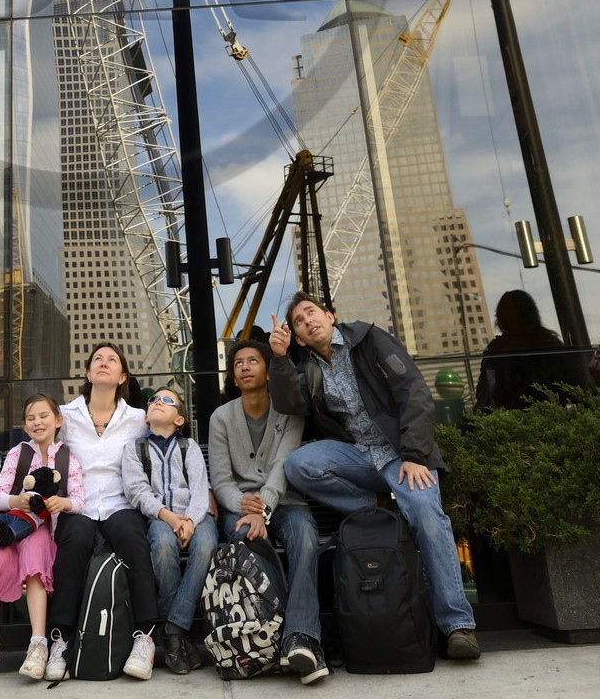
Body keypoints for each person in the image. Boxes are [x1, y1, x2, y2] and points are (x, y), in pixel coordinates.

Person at [271, 293, 480, 663]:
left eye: (311, 313)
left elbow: (413, 392)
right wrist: (279, 358)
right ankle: (376, 509)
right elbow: (290, 403)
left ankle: (457, 626)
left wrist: (415, 455)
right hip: (360, 456)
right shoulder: (309, 368)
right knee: (299, 465)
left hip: (402, 454)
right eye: (299, 322)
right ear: (298, 338)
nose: (307, 321)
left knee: (429, 519)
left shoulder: (368, 340)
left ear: (329, 316)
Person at [208, 336, 328, 686]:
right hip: (240, 507)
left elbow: (283, 465)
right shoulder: (220, 418)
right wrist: (240, 504)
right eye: (238, 363)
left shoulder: (289, 411)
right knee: (247, 538)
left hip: (284, 501)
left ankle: (300, 637)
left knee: (305, 536)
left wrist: (263, 508)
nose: (244, 367)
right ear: (233, 377)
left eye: (253, 361)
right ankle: (289, 635)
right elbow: (221, 479)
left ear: (268, 372)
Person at [46, 341, 158, 682]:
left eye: (112, 360)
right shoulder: (66, 416)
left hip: (120, 503)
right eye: (98, 359)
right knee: (75, 540)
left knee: (133, 538)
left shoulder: (137, 418)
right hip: (77, 505)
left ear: (122, 376)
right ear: (88, 372)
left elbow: (165, 448)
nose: (104, 363)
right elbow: (42, 450)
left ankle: (145, 637)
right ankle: (61, 640)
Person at [0, 394, 84, 681]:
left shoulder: (67, 458)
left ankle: (38, 644)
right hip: (11, 525)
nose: (38, 422)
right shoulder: (18, 454)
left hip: (43, 530)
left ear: (58, 420)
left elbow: (79, 501)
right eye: (31, 418)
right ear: (24, 426)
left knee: (35, 560)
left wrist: (63, 504)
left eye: (44, 416)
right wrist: (17, 501)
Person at [121, 387, 216, 675]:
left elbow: (200, 490)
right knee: (162, 546)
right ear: (146, 417)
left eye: (167, 400)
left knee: (205, 546)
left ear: (179, 419)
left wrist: (190, 521)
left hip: (197, 517)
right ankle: (179, 637)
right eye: (153, 400)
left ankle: (172, 628)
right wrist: (170, 518)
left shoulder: (189, 447)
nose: (157, 403)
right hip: (160, 517)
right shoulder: (135, 449)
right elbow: (137, 491)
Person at [476, 290, 589, 410]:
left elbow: (485, 395)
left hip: (532, 414)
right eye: (502, 313)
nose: (502, 316)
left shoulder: (547, 343)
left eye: (506, 311)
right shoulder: (548, 343)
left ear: (523, 313)